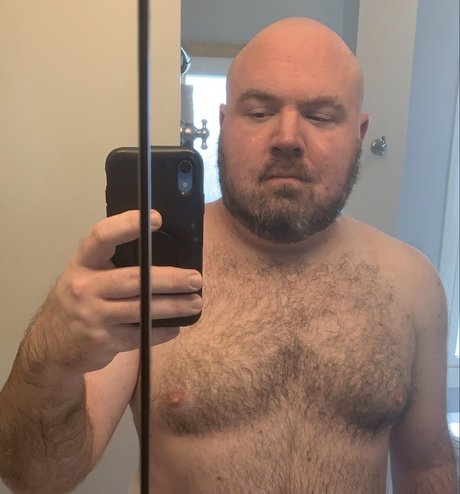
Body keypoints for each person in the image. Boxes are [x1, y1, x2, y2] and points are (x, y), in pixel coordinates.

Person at [0, 17, 457, 494]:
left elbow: (427, 467)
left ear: (359, 134)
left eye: (320, 116)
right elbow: (37, 478)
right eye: (259, 112)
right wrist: (49, 357)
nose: (287, 137)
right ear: (223, 124)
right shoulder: (153, 273)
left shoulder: (412, 284)